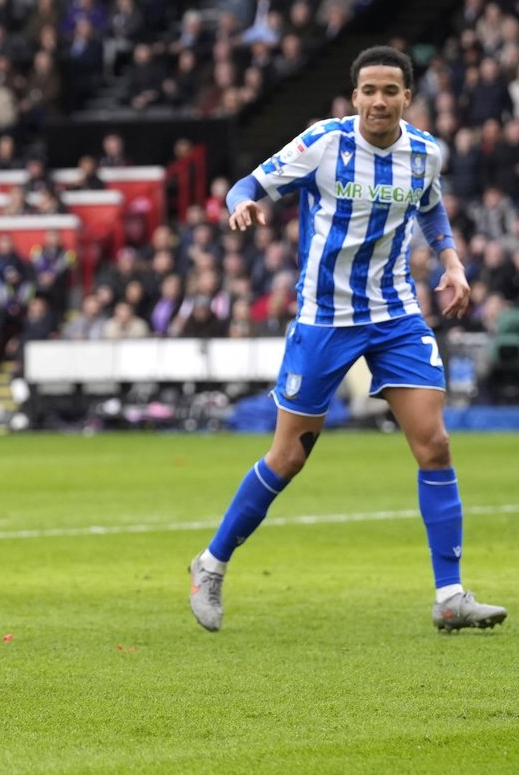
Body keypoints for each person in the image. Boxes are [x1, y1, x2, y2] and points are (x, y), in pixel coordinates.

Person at [188, 46, 507, 633]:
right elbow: (245, 185)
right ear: (354, 96)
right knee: (288, 457)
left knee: (434, 444)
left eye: (390, 90)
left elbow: (431, 213)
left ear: (407, 97)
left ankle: (450, 595)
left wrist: (453, 264)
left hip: (396, 316)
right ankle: (210, 563)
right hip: (324, 317)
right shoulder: (323, 144)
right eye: (368, 91)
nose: (378, 101)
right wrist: (242, 208)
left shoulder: (424, 154)